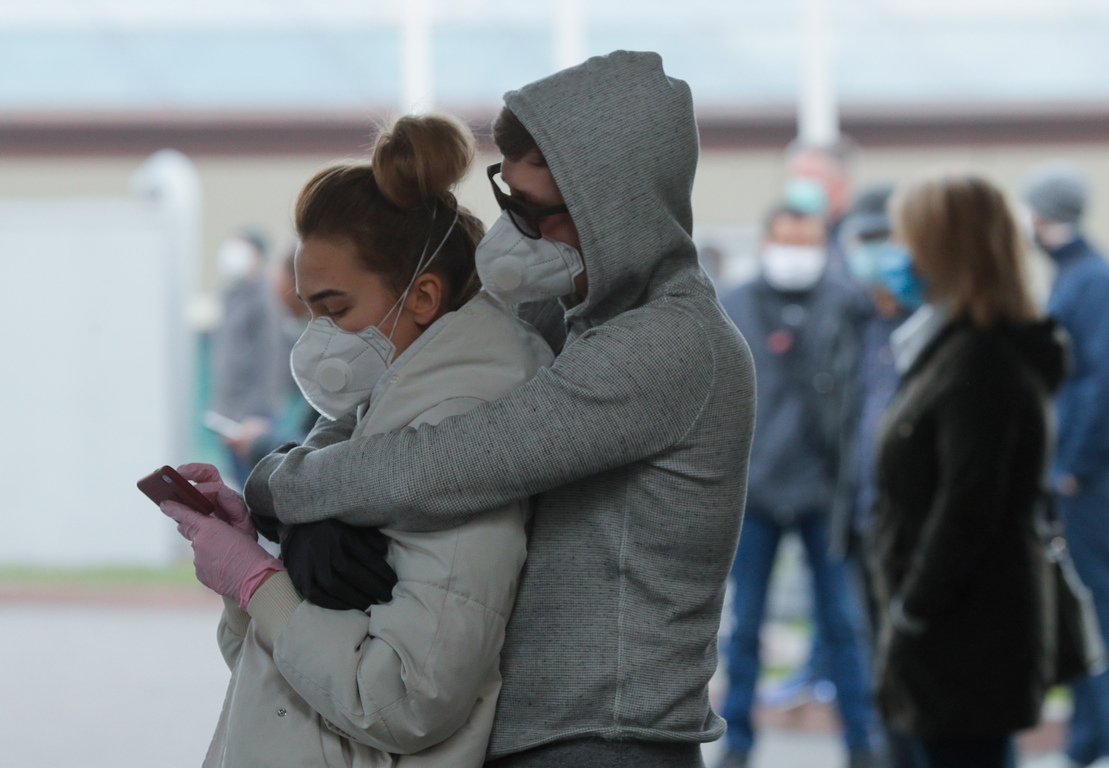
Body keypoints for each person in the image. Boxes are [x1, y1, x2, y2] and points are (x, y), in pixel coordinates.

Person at [243, 50, 756, 767]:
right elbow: (395, 378)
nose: (512, 234)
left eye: (534, 213)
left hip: (602, 743)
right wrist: (312, 468)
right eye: (504, 200)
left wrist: (278, 488)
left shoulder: (668, 345)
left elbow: (452, 461)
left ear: (615, 209)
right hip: (530, 738)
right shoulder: (565, 313)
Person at [160, 113, 554, 767]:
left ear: (423, 296)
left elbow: (405, 700)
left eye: (336, 310)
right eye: (309, 313)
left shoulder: (458, 431)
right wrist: (254, 553)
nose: (319, 339)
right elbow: (265, 672)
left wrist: (259, 583)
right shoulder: (373, 414)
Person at [871, 174, 1066, 768]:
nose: (896, 256)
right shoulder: (949, 344)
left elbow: (967, 508)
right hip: (949, 627)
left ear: (947, 249)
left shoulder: (981, 361)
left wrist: (912, 610)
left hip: (963, 633)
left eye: (909, 239)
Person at [717, 203, 876, 768]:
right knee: (745, 627)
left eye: (806, 242)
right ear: (766, 241)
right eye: (786, 240)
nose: (796, 254)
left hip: (824, 494)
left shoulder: (847, 303)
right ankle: (737, 741)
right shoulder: (734, 305)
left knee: (843, 623)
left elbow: (864, 397)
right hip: (754, 493)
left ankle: (862, 742)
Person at [1024, 161, 1109, 768]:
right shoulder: (1074, 277)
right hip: (1077, 470)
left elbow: (1098, 380)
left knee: (1093, 603)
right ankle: (1086, 738)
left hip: (1089, 476)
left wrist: (1075, 462)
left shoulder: (1089, 280)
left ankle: (1093, 739)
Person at [207, 229, 289, 487]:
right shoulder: (231, 296)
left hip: (254, 417)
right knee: (236, 486)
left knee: (254, 488)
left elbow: (271, 360)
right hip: (230, 412)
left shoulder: (265, 299)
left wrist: (259, 414)